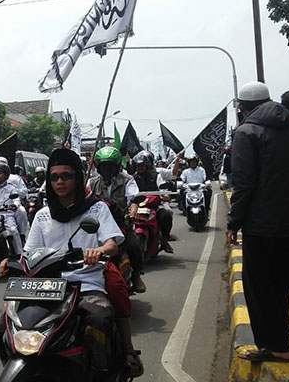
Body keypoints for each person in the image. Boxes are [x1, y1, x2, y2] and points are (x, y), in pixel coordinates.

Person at [14, 148, 134, 379]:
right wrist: (11, 263)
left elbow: (112, 244)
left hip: (86, 284)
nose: (60, 182)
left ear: (78, 178)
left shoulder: (97, 208)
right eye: (54, 177)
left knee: (100, 317)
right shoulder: (42, 215)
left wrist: (98, 251)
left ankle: (102, 371)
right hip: (47, 287)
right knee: (7, 319)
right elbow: (29, 252)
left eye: (66, 176)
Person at [228, 81, 289, 363]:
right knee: (281, 284)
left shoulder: (246, 133)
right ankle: (281, 343)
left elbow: (243, 184)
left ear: (242, 107)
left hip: (261, 226)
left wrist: (234, 221)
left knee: (257, 287)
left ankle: (274, 345)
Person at [88, 146, 146, 294]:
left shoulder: (127, 180)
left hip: (120, 222)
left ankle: (136, 275)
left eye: (110, 165)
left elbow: (133, 199)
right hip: (97, 224)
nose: (106, 169)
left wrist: (132, 213)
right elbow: (84, 198)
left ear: (117, 166)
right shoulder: (92, 182)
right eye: (103, 165)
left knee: (133, 244)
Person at [132, 150, 180, 253]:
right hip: (136, 206)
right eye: (138, 166)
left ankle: (165, 240)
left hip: (154, 206)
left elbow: (162, 187)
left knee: (166, 215)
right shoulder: (132, 179)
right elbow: (128, 191)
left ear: (147, 165)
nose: (140, 168)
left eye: (142, 165)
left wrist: (165, 195)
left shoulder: (156, 175)